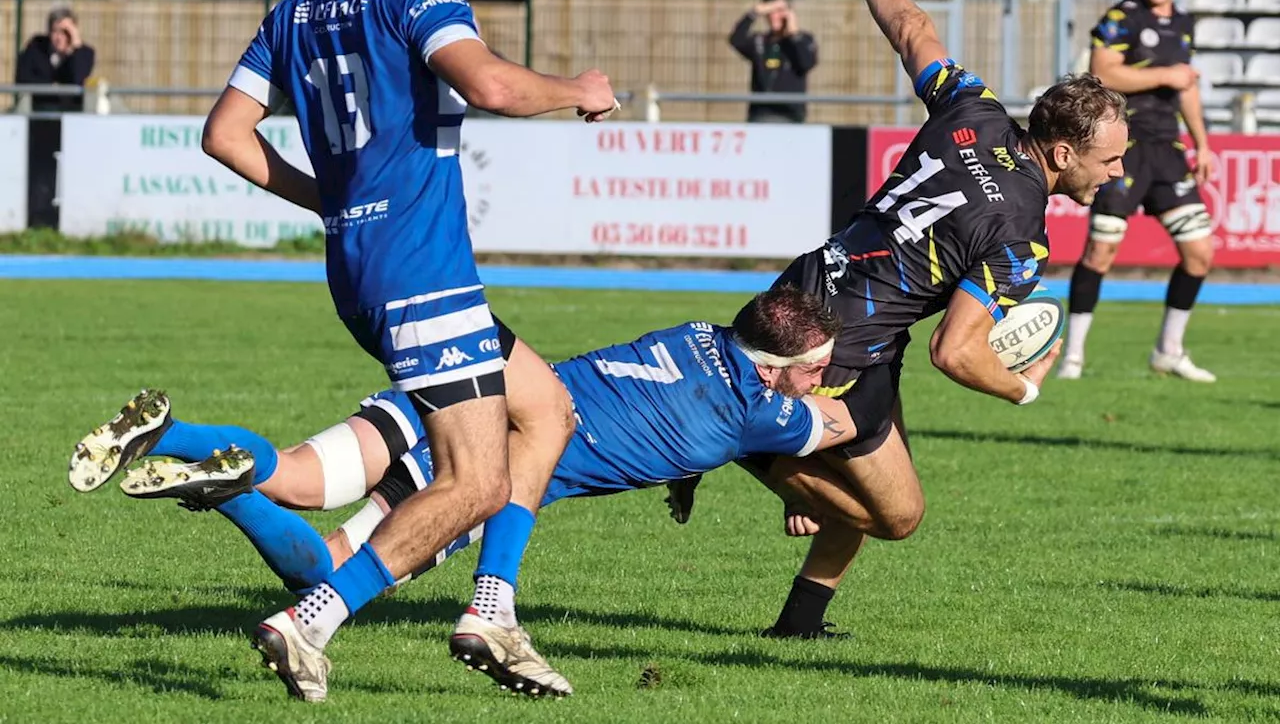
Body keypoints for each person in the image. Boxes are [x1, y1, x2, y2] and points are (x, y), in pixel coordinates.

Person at [153, 0, 613, 702]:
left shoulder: (291, 12)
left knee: (546, 406)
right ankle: (313, 619)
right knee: (476, 481)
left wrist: (324, 196)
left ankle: (493, 607)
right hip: (424, 272)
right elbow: (491, 86)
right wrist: (578, 91)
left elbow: (224, 135)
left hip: (359, 269)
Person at [669, 0, 1130, 639]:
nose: (1118, 173)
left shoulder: (973, 109)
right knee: (899, 513)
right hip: (843, 347)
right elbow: (959, 349)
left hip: (806, 291)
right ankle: (736, 437)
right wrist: (1022, 388)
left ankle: (797, 624)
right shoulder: (1021, 236)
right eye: (1110, 159)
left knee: (858, 488)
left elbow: (913, 30)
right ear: (1065, 153)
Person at [69, 287, 867, 701]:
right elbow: (838, 421)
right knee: (322, 571)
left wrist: (690, 472)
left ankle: (172, 431)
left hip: (458, 392)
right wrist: (872, 381)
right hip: (477, 459)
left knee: (300, 473)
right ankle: (235, 492)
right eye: (811, 365)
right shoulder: (755, 410)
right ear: (770, 370)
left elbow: (682, 409)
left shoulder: (699, 334)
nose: (819, 375)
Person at [1058, 0, 1217, 382]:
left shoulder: (1184, 23)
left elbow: (1187, 87)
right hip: (1123, 148)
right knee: (1101, 251)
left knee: (1200, 253)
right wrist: (1167, 73)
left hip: (1168, 150)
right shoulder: (1121, 17)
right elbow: (1101, 72)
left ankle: (1169, 350)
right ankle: (1074, 356)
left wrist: (1202, 143)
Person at [728, 0, 818, 123]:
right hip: (761, 114)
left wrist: (793, 34)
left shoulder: (803, 40)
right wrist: (754, 13)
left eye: (780, 11)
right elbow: (736, 39)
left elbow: (807, 63)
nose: (774, 16)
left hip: (790, 114)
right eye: (771, 12)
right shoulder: (760, 42)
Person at [15, 7, 95, 112]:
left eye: (65, 32)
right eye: (55, 31)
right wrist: (51, 87)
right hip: (41, 112)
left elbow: (78, 78)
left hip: (72, 113)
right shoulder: (36, 48)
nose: (59, 38)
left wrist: (75, 47)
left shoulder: (85, 53)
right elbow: (23, 78)